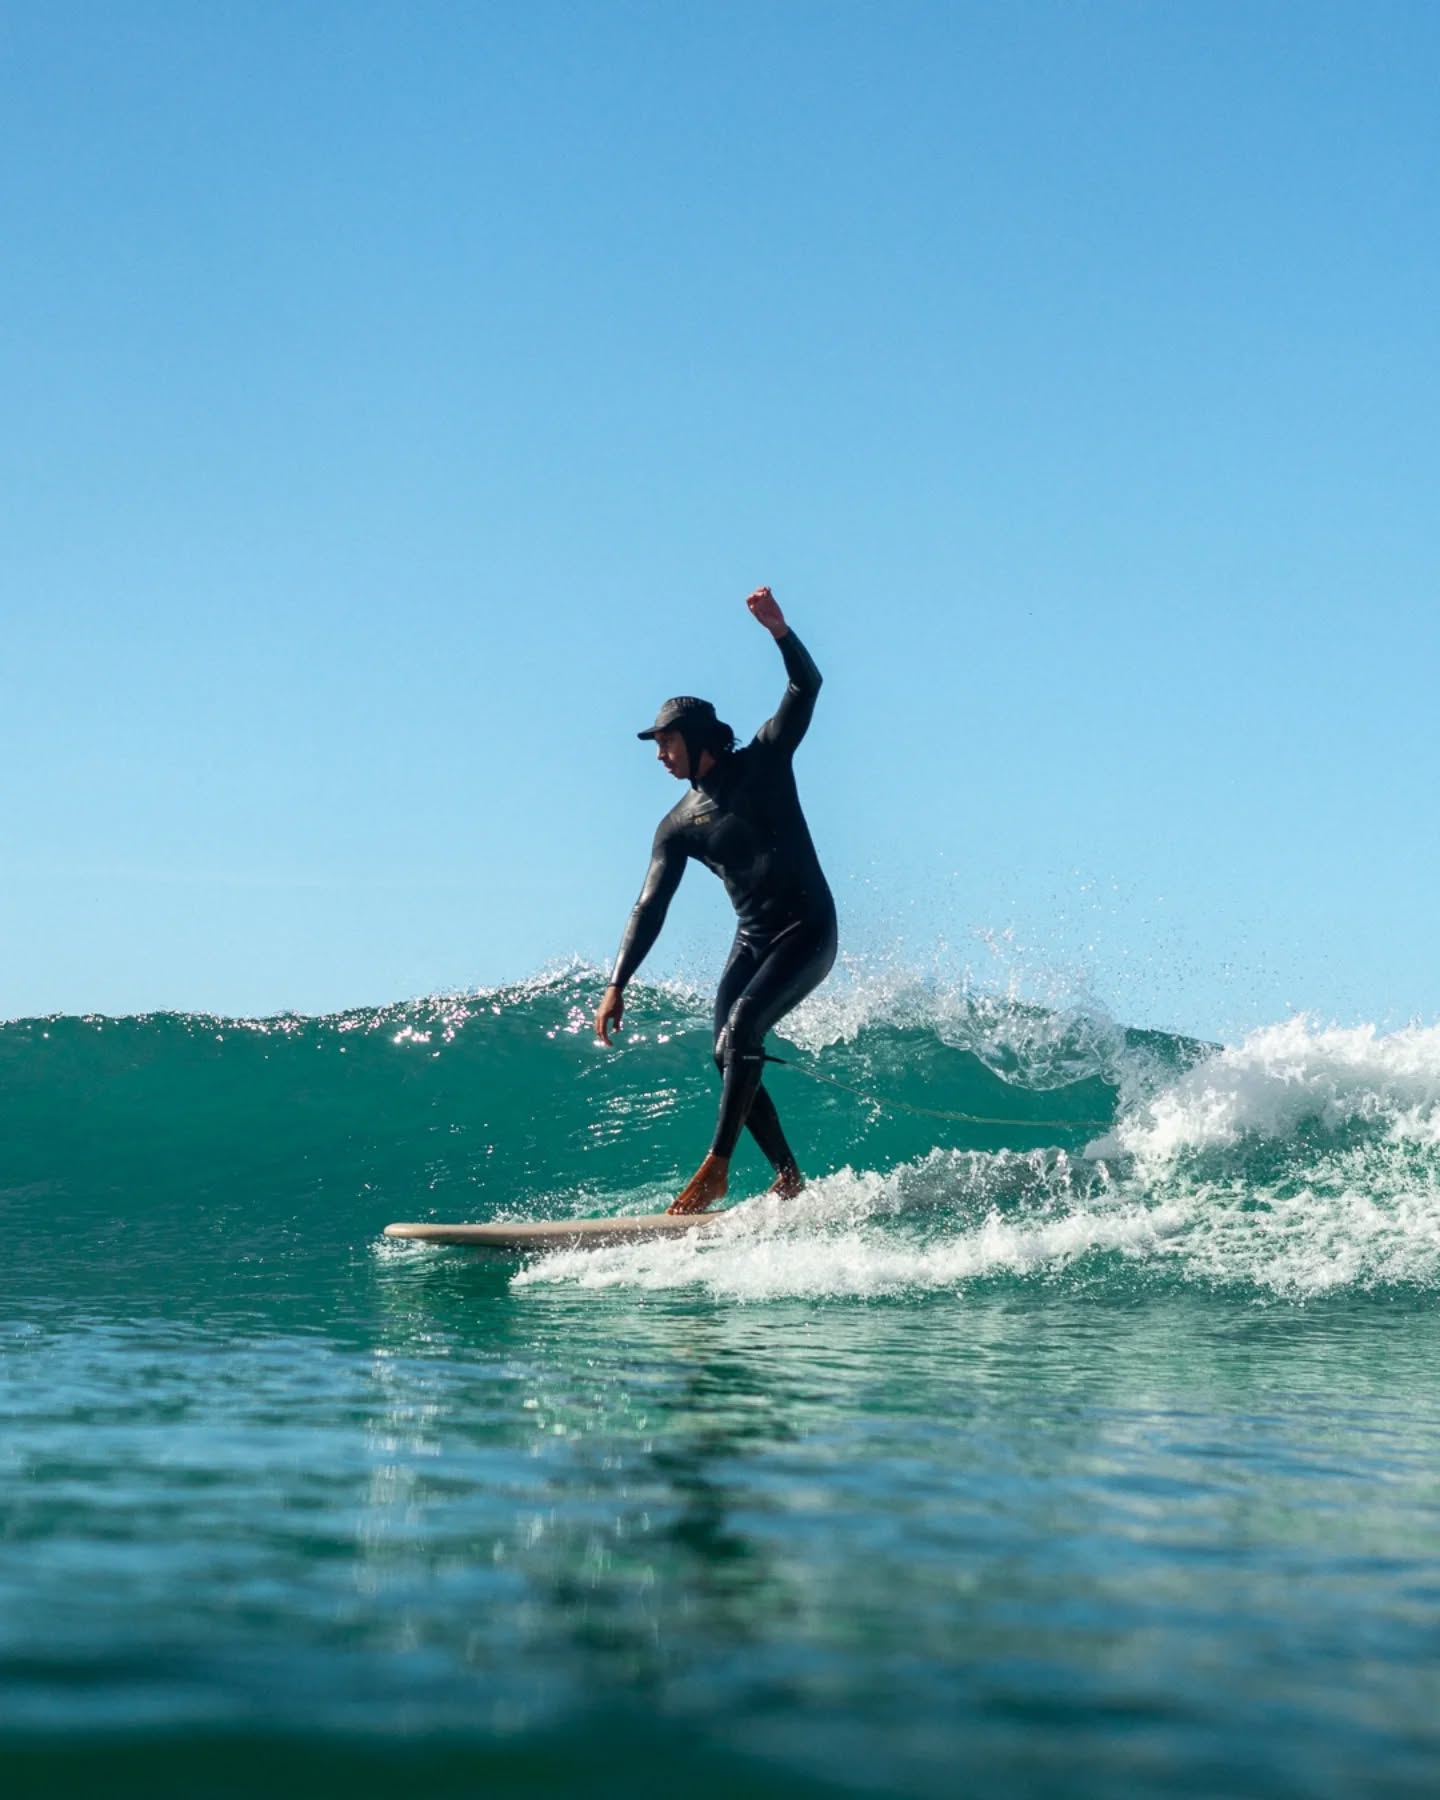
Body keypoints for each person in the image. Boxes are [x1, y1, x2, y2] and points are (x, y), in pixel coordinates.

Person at [594, 586, 837, 1214]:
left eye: (667, 742)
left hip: (808, 929)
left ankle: (717, 1168)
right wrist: (618, 981)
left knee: (746, 1026)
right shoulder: (678, 825)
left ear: (699, 738)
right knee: (726, 1047)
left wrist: (781, 631)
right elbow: (649, 905)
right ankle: (788, 1177)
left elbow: (805, 688)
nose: (659, 754)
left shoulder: (764, 760)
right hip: (755, 939)